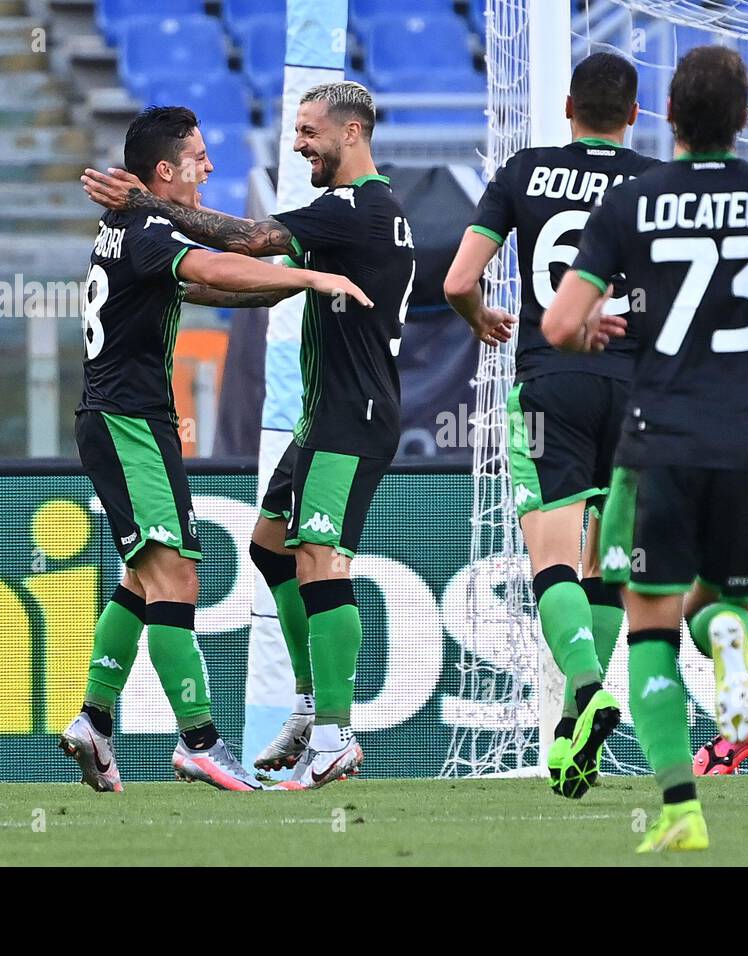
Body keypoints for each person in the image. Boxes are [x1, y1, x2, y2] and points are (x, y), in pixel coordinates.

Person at [541, 46, 748, 851]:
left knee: (649, 625)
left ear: (668, 117)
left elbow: (560, 325)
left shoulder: (633, 202)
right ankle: (734, 637)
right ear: (744, 117)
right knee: (725, 603)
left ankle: (679, 809)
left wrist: (593, 329)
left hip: (659, 438)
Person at [83, 82, 415, 790]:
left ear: (352, 133)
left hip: (350, 416)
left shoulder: (357, 208)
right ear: (166, 170)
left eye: (307, 131)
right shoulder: (149, 232)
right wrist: (307, 275)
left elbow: (248, 250)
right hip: (158, 419)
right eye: (199, 158)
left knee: (307, 558)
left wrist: (300, 273)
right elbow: (223, 269)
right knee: (253, 554)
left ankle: (331, 732)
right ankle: (280, 712)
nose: (297, 144)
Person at [443, 52, 660, 798]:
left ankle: (586, 688)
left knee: (553, 561)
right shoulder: (658, 182)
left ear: (568, 106)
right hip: (636, 392)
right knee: (605, 565)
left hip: (552, 380)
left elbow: (458, 281)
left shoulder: (522, 172)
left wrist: (481, 319)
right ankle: (576, 732)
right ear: (635, 114)